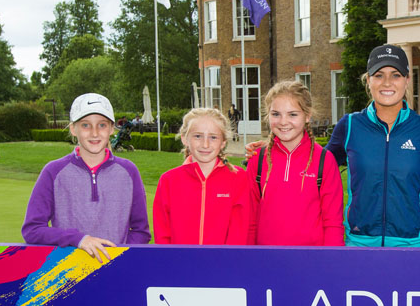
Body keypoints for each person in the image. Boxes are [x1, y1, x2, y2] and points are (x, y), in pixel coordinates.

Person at [325, 44, 420, 247]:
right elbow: (316, 167)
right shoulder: (350, 126)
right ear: (368, 80)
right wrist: (280, 143)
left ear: (407, 80)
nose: (387, 83)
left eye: (395, 75)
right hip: (360, 242)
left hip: (412, 244)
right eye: (378, 75)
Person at [22, 93, 150, 262]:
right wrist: (78, 239)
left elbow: (141, 231)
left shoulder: (128, 171)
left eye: (102, 125)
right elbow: (32, 229)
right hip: (67, 273)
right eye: (86, 125)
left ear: (112, 129)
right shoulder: (53, 171)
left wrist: (119, 257)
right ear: (73, 129)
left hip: (116, 270)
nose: (95, 133)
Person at [247, 80, 344, 246]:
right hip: (265, 260)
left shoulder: (324, 160)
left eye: (293, 114)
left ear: (307, 116)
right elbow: (248, 219)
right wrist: (246, 257)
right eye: (276, 114)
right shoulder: (257, 158)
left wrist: (331, 263)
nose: (283, 121)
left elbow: (333, 223)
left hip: (311, 261)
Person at [152, 108, 255, 245]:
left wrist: (228, 263)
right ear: (185, 139)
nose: (205, 144)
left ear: (223, 142)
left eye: (213, 137)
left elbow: (240, 230)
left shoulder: (238, 178)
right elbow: (162, 233)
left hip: (223, 264)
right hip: (180, 264)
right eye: (198, 136)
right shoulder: (169, 180)